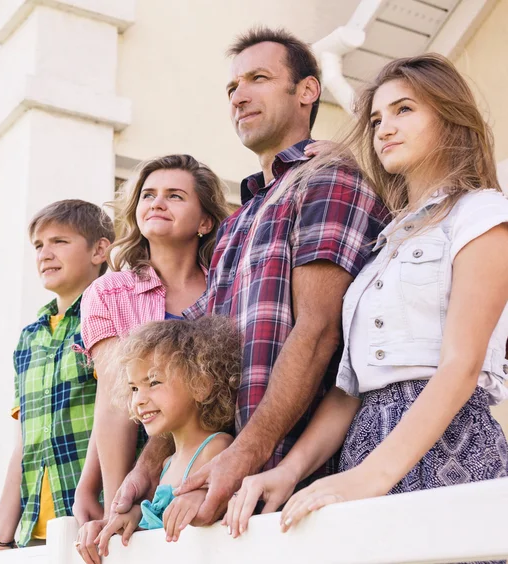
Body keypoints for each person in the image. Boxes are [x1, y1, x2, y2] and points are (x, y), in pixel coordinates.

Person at [224, 54, 508, 563]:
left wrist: (370, 476)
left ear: (450, 117)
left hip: (448, 446)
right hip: (362, 445)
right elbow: (350, 388)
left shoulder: (484, 214)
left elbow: (460, 367)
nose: (384, 129)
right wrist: (288, 471)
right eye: (376, 119)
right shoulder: (384, 246)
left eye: (404, 111)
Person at [109, 26, 389, 527]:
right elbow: (197, 362)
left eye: (258, 78)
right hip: (227, 490)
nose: (239, 95)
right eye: (232, 87)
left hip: (298, 486)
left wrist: (246, 456)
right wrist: (149, 468)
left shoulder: (326, 177)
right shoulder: (240, 219)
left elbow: (320, 330)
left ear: (307, 91)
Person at [73, 155, 230, 564]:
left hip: (219, 459)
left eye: (175, 196)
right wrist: (116, 503)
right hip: (152, 476)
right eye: (148, 195)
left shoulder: (229, 284)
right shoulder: (108, 293)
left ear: (204, 222)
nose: (157, 202)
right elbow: (114, 401)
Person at [0, 200, 114, 550]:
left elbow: (116, 417)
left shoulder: (110, 315)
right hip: (34, 534)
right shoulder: (30, 337)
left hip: (93, 524)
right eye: (39, 245)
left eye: (60, 241)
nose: (45, 254)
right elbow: (25, 441)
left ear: (99, 249)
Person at [91, 316, 241, 557]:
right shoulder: (166, 463)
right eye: (134, 388)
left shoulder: (216, 447)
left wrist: (201, 496)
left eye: (153, 382)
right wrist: (136, 514)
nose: (138, 399)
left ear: (200, 384)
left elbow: (225, 501)